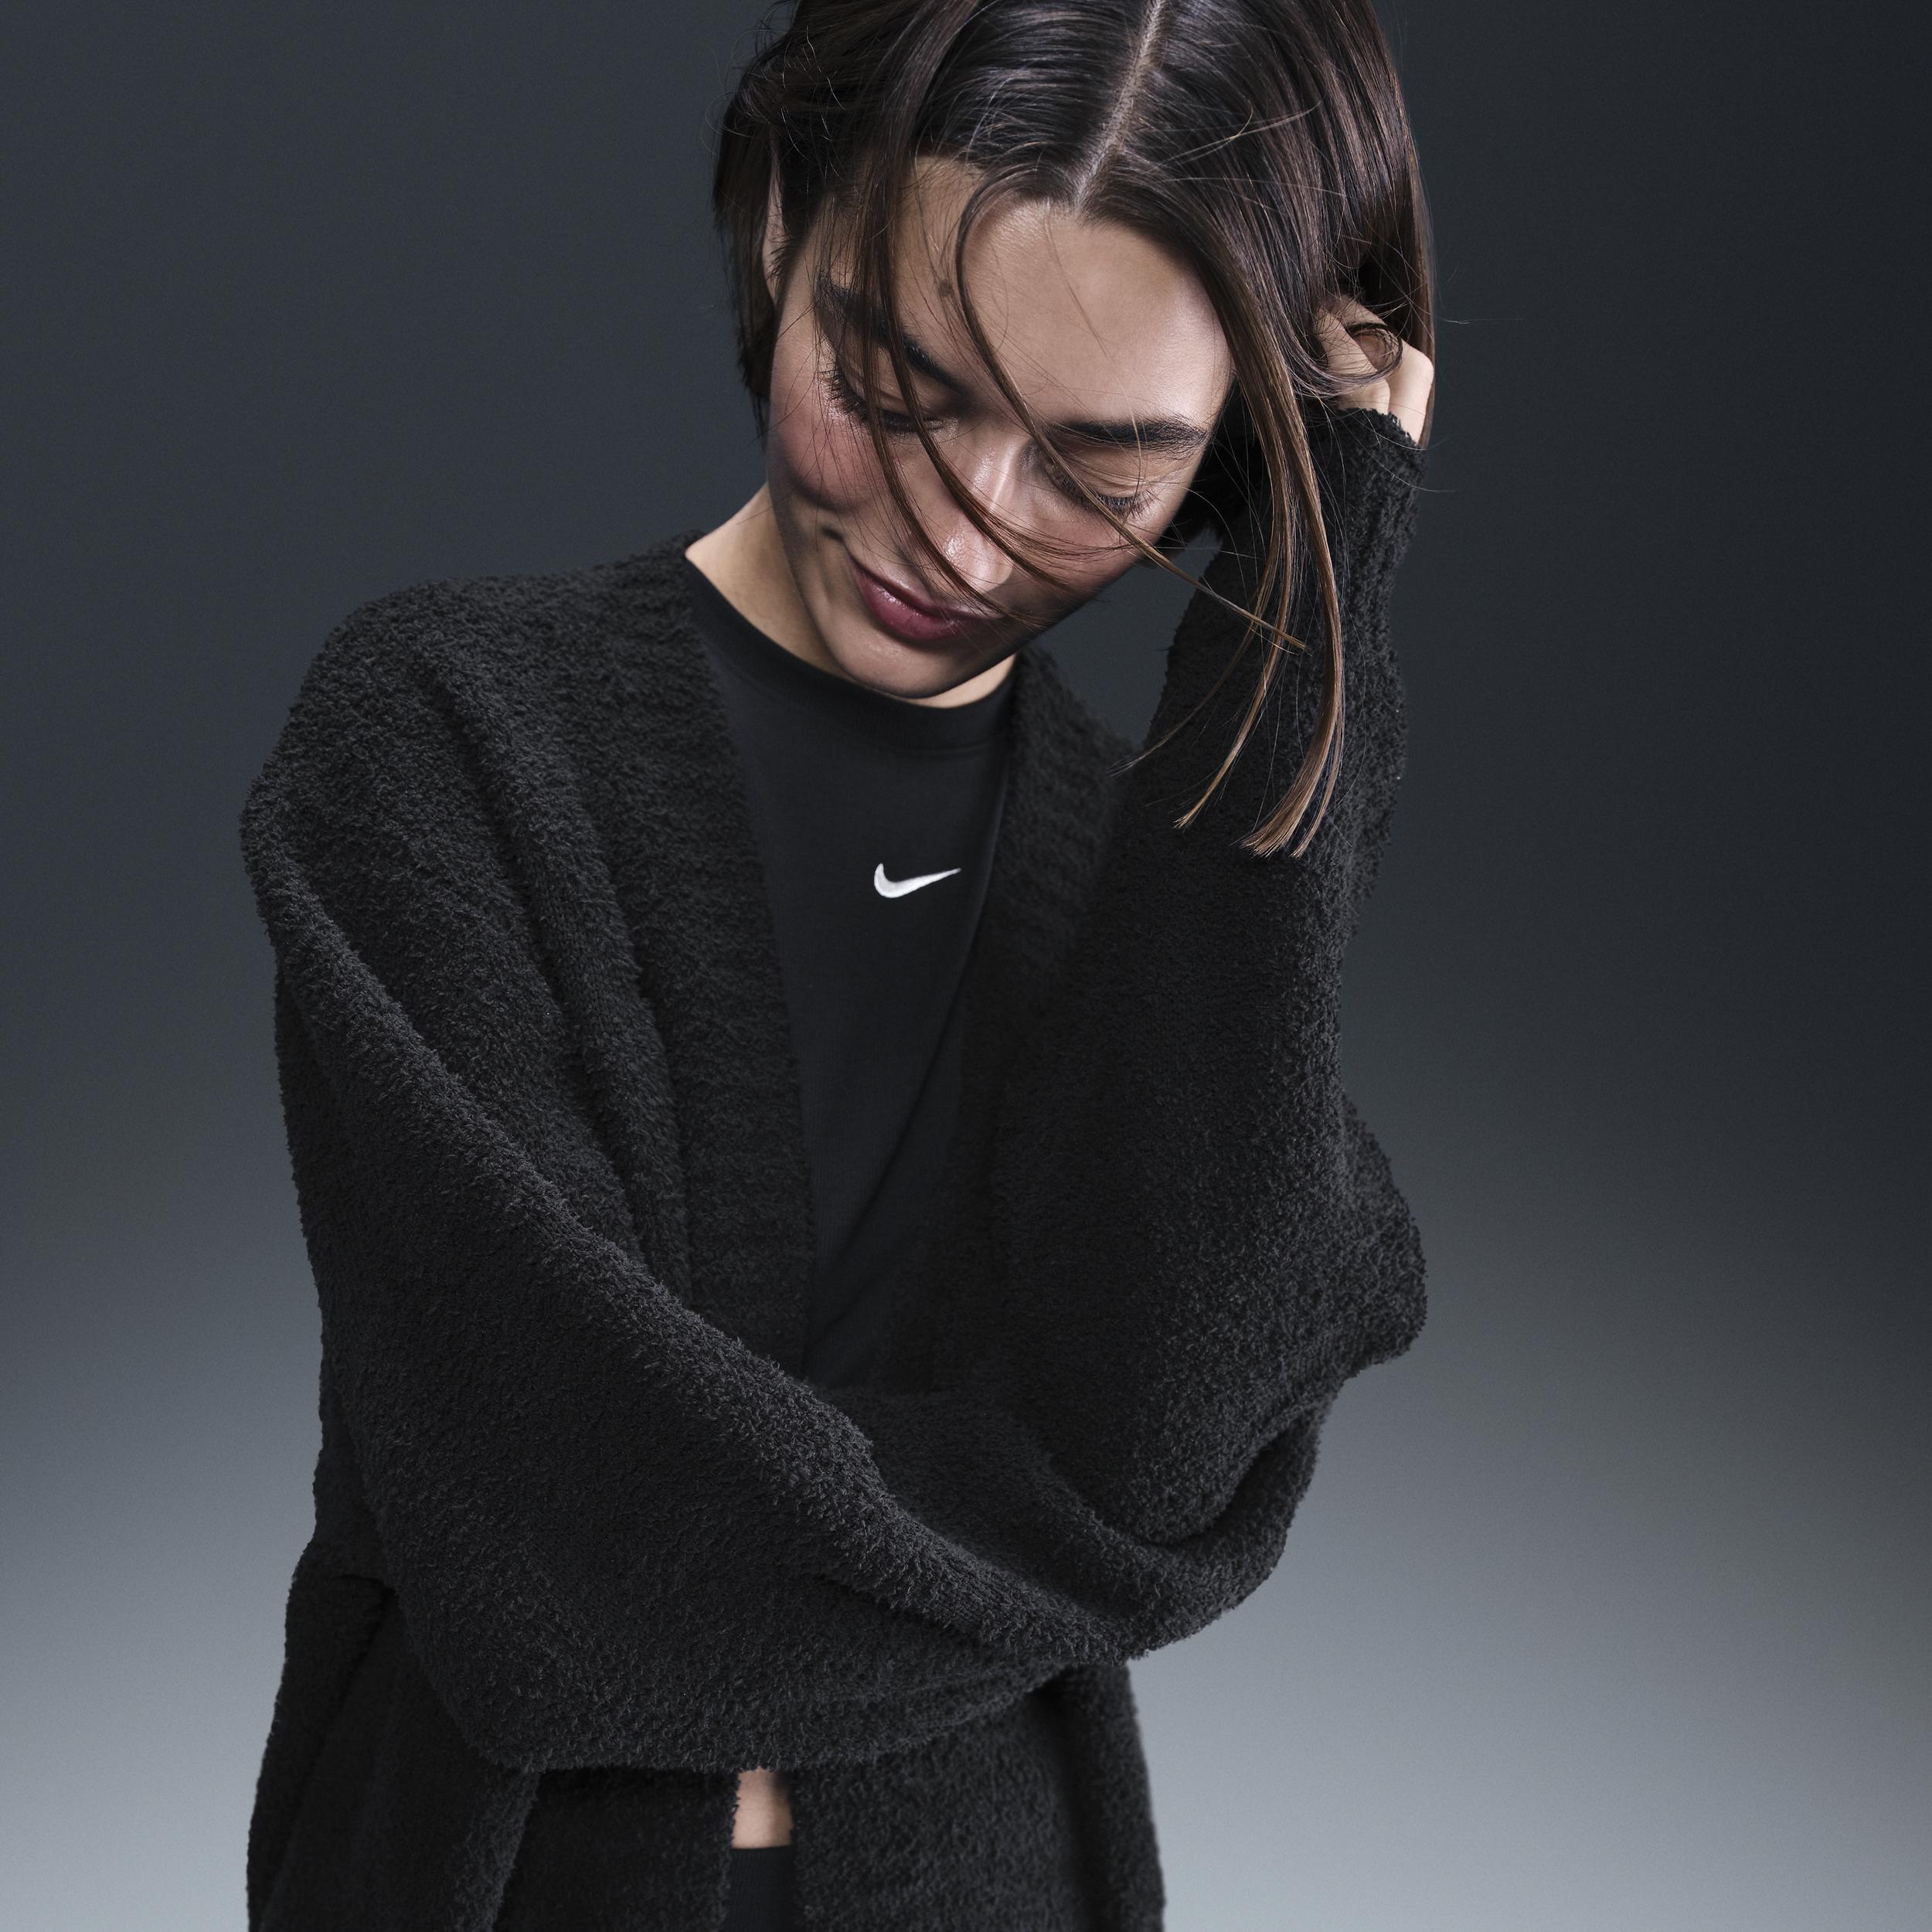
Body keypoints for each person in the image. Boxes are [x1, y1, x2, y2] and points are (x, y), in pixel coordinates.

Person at [238, 2, 1437, 1927]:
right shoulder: (441, 742)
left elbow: (1185, 1393)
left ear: (1231, 451)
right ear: (785, 219)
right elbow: (563, 1567)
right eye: (891, 384)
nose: (965, 525)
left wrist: (1317, 590)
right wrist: (1095, 1530)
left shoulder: (1150, 885)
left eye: (1101, 465)